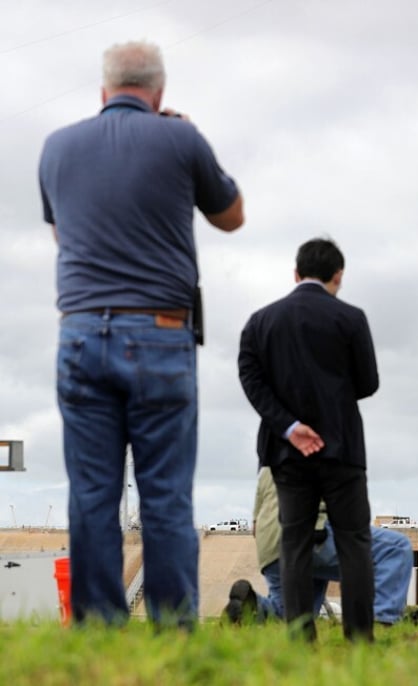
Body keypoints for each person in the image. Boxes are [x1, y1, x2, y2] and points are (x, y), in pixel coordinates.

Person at [38, 40, 244, 627]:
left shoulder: (56, 148)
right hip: (159, 334)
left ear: (104, 90)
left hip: (79, 334)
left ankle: (98, 633)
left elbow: (65, 237)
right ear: (159, 93)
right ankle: (175, 633)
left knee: (92, 497)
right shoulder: (179, 137)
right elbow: (232, 216)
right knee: (165, 497)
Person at [237, 238, 378, 642]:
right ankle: (359, 640)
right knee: (354, 543)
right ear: (338, 276)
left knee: (294, 545)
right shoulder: (351, 319)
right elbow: (368, 382)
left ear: (295, 274)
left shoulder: (261, 322)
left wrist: (289, 425)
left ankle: (301, 640)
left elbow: (251, 380)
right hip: (343, 449)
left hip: (287, 452)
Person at [224, 467, 412, 625]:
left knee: (293, 616)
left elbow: (255, 525)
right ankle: (381, 622)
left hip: (270, 547)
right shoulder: (320, 445)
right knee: (395, 548)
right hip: (308, 534)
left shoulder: (268, 464)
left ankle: (253, 607)